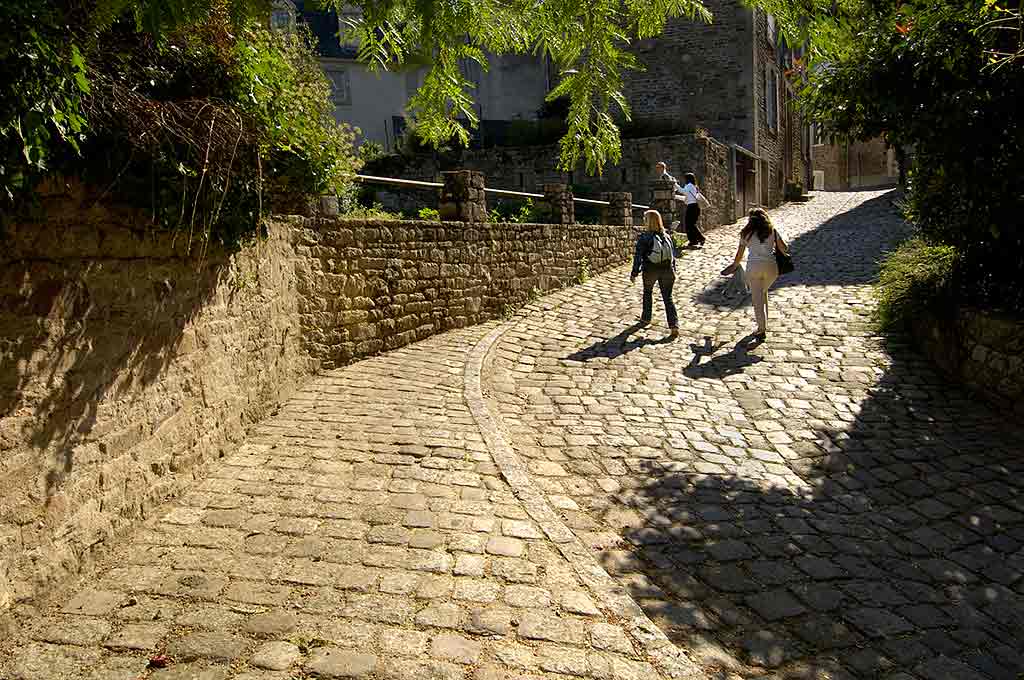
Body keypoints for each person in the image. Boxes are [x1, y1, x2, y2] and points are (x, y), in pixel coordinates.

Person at [720, 207, 789, 340]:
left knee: (757, 299)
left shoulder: (746, 234)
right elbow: (784, 248)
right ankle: (765, 323)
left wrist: (733, 267)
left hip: (754, 267)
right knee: (763, 291)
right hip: (771, 268)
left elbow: (739, 256)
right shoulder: (772, 231)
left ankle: (761, 329)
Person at [630, 210, 679, 338]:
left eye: (645, 219)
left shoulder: (645, 237)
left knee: (647, 292)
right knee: (668, 298)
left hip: (651, 270)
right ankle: (674, 326)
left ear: (648, 221)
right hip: (667, 270)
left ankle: (646, 318)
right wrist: (674, 270)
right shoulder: (666, 235)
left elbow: (638, 257)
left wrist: (634, 273)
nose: (643, 221)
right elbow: (673, 255)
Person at [679, 172, 706, 248]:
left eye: (685, 178)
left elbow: (683, 191)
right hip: (694, 207)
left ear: (688, 179)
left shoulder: (689, 186)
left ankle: (700, 238)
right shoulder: (693, 186)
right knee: (690, 225)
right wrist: (675, 197)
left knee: (690, 225)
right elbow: (686, 198)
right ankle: (694, 240)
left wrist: (675, 185)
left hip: (692, 207)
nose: (684, 180)